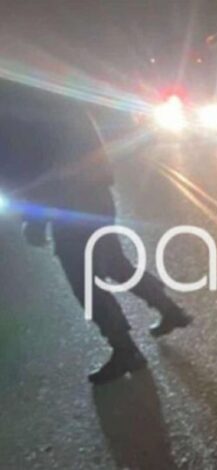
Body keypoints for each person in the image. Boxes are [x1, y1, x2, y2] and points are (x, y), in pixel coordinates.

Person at [0, 80, 191, 385]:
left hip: (68, 202)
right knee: (114, 263)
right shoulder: (54, 94)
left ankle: (125, 349)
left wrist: (34, 220)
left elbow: (32, 170)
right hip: (95, 193)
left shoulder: (17, 105)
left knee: (84, 281)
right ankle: (170, 310)